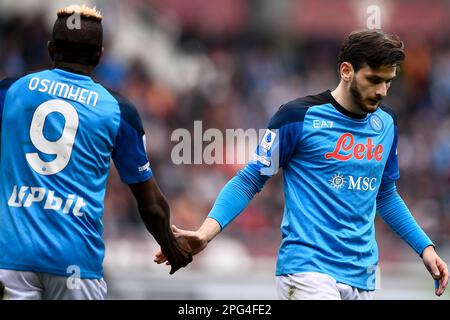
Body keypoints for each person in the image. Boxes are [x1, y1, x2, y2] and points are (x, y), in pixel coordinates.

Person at [155, 30, 449, 300]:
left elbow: (385, 194)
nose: (382, 91)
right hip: (308, 270)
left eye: (388, 81)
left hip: (362, 275)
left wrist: (425, 247)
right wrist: (206, 233)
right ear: (346, 71)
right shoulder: (296, 117)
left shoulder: (386, 123)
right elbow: (249, 180)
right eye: (374, 79)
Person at [0, 5, 191, 300]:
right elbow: (150, 202)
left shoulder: (10, 92)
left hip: (10, 258)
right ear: (101, 54)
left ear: (50, 48)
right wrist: (169, 244)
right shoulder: (118, 111)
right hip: (75, 262)